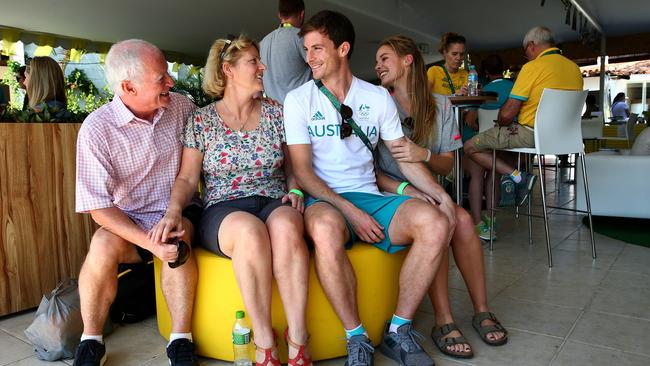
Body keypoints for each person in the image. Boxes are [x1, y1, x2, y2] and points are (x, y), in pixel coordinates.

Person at [285, 10, 456, 366]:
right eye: (307, 49)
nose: (310, 57)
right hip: (324, 199)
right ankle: (356, 336)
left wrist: (441, 196)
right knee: (326, 229)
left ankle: (398, 330)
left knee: (436, 222)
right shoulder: (299, 100)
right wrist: (349, 210)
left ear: (343, 48)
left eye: (318, 48)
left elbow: (403, 157)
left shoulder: (377, 98)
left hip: (370, 195)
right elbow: (301, 171)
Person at [150, 35, 312, 366]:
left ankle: (298, 341)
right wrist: (174, 210)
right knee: (250, 233)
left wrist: (295, 190)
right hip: (223, 209)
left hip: (273, 197)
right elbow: (186, 178)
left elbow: (296, 166)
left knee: (286, 227)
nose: (262, 67)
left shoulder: (275, 114)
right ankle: (265, 345)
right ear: (229, 70)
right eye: (254, 61)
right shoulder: (202, 120)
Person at [374, 35, 508, 360]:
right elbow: (368, 171)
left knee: (462, 220)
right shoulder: (378, 103)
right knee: (442, 219)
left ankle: (481, 310)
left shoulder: (442, 105)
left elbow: (448, 165)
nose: (377, 66)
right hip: (390, 192)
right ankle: (444, 319)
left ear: (407, 60)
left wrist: (424, 153)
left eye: (384, 58)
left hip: (432, 190)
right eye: (377, 61)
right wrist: (414, 190)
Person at [74, 39, 199, 366]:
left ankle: (180, 340)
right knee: (101, 244)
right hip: (129, 224)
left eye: (168, 74)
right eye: (161, 78)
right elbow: (97, 207)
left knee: (177, 236)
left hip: (177, 212)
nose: (170, 82)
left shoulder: (182, 107)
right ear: (128, 87)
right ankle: (91, 341)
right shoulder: (97, 129)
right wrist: (147, 242)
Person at [464, 26, 583, 207]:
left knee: (470, 147)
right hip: (564, 138)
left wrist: (502, 121)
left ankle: (519, 177)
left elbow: (507, 114)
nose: (526, 56)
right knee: (501, 154)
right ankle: (514, 180)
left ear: (532, 45)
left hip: (530, 135)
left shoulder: (533, 67)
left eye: (525, 51)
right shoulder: (574, 68)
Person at [464, 54, 516, 239]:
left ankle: (478, 223)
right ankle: (491, 219)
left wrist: (483, 131)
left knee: (476, 178)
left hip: (476, 142)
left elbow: (470, 121)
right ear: (504, 69)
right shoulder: (515, 89)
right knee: (494, 176)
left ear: (485, 72)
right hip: (501, 142)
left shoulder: (480, 90)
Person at [260, 0, 311, 103]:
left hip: (274, 113)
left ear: (279, 15)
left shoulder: (262, 43)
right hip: (301, 110)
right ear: (302, 14)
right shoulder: (301, 37)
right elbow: (323, 67)